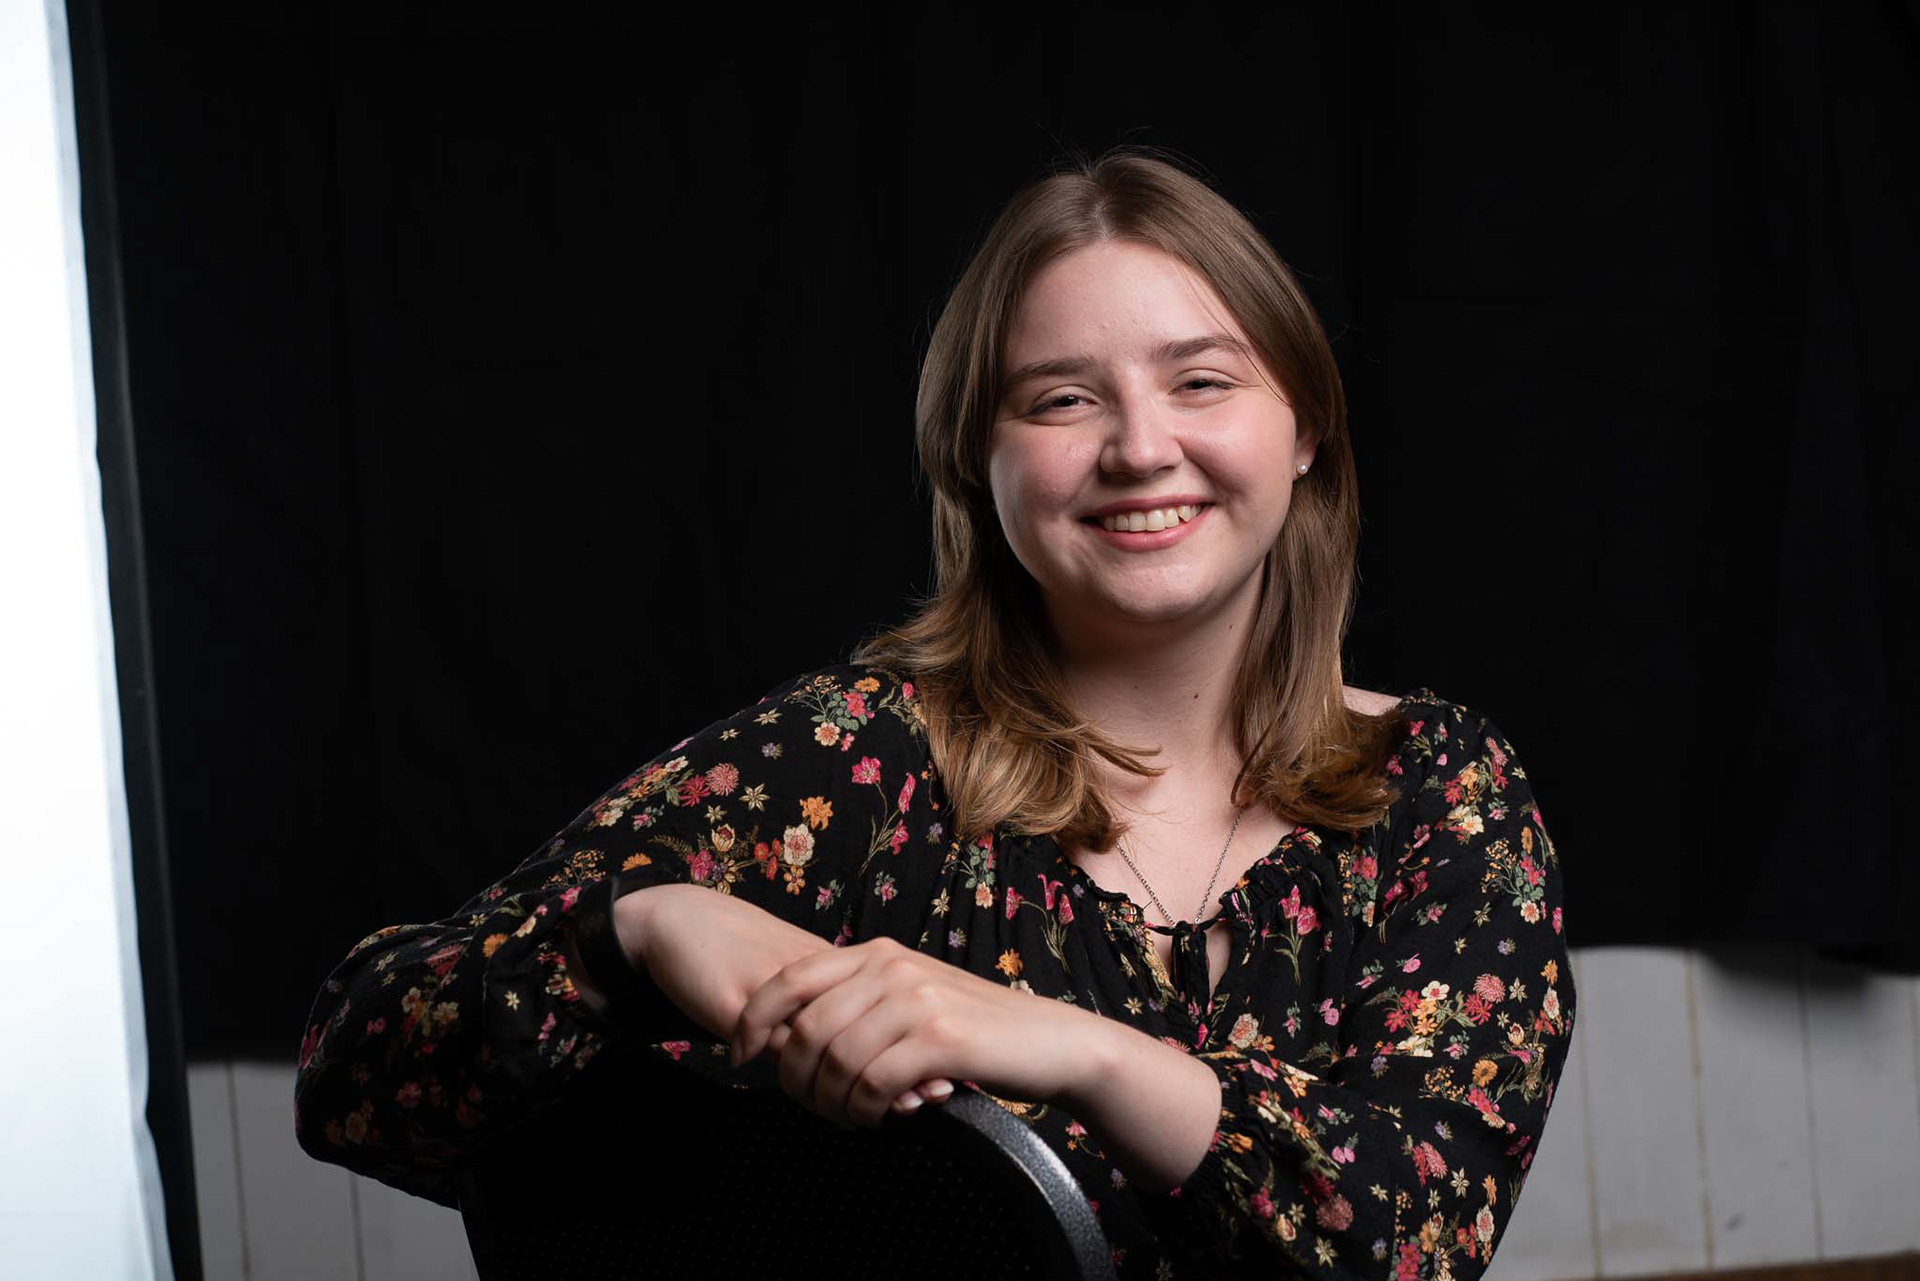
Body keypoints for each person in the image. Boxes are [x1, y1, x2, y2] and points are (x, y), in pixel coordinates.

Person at [294, 145, 1575, 1279]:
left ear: (1304, 432)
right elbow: (354, 1071)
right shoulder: (858, 760)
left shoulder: (1438, 789)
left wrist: (1073, 1050)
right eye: (1062, 398)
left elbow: (1413, 1238)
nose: (1139, 448)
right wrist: (636, 925)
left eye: (1201, 382)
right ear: (979, 460)